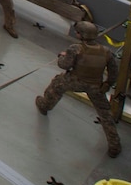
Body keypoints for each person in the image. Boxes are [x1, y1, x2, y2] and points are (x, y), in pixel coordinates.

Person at [36, 21, 121, 158]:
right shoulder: (106, 52)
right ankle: (114, 145)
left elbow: (64, 65)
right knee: (105, 114)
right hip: (96, 86)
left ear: (80, 34)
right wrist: (107, 85)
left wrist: (62, 56)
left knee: (56, 86)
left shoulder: (75, 48)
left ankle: (45, 106)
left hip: (75, 81)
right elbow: (114, 72)